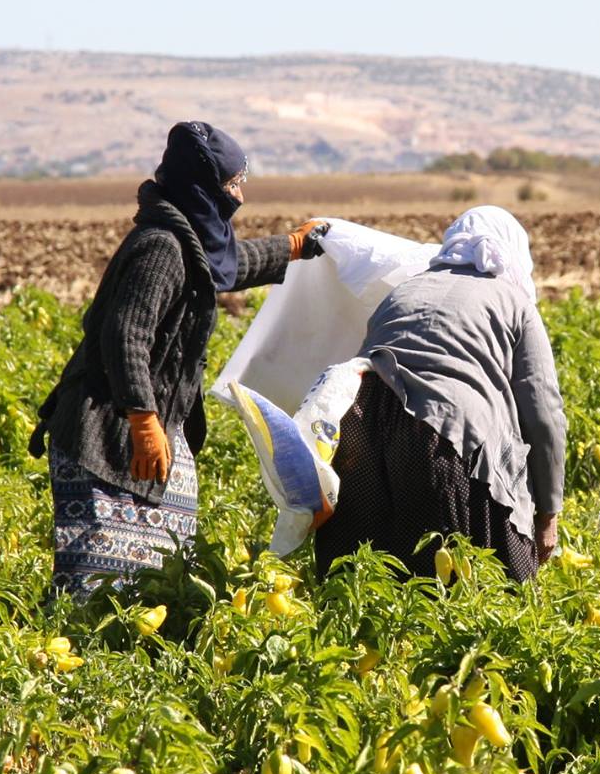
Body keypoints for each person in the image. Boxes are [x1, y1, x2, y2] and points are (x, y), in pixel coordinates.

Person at [30, 121, 325, 597]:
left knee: (160, 577)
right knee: (97, 581)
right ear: (201, 187)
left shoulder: (183, 237)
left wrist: (292, 247)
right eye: (231, 185)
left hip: (154, 423)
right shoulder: (160, 247)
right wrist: (143, 422)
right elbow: (126, 336)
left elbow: (224, 268)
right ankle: (83, 657)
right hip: (109, 430)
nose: (239, 197)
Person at [314, 206, 566, 583]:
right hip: (444, 434)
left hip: (361, 429)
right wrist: (548, 513)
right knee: (462, 581)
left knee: (362, 573)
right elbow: (543, 411)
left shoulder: (405, 289)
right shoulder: (514, 302)